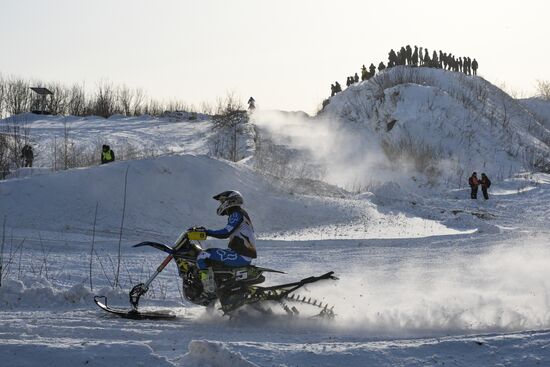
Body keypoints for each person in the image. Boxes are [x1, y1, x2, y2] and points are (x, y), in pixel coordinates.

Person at [196, 190, 257, 292]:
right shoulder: (239, 213)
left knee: (203, 255)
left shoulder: (236, 214)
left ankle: (208, 289)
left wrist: (207, 232)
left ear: (230, 201)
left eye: (222, 201)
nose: (221, 204)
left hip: (240, 256)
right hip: (242, 254)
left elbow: (225, 232)